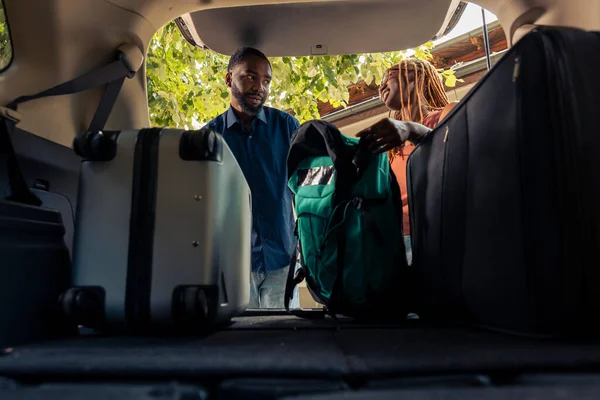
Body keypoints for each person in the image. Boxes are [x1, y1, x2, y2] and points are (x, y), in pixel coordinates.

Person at [206, 47, 300, 309]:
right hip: (232, 266)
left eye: (266, 80)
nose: (260, 86)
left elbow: (302, 189)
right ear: (228, 79)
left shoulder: (288, 127)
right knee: (241, 344)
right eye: (250, 77)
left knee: (285, 342)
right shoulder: (209, 138)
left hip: (282, 260)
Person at [357, 58, 458, 264]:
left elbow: (456, 153)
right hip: (397, 241)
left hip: (437, 233)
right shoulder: (390, 148)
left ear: (415, 74)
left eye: (390, 75)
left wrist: (412, 129)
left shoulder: (446, 113)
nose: (381, 85)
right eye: (381, 82)